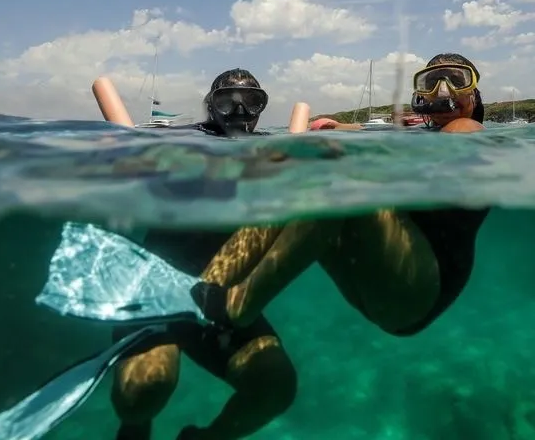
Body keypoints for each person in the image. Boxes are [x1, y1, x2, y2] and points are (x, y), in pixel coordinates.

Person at [194, 53, 489, 345]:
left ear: (474, 95)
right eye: (433, 81)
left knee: (334, 180)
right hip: (389, 288)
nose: (443, 90)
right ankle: (207, 288)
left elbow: (447, 148)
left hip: (419, 288)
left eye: (456, 80)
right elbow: (385, 131)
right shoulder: (425, 131)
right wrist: (340, 128)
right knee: (303, 186)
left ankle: (236, 306)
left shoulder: (466, 127)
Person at [111, 69, 297, 440]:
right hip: (156, 292)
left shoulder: (271, 151)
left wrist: (333, 126)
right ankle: (135, 427)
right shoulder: (184, 142)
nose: (240, 110)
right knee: (141, 393)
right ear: (210, 105)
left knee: (274, 384)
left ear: (262, 107)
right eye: (227, 100)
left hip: (218, 299)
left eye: (252, 101)